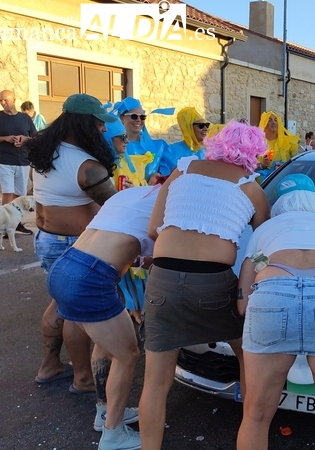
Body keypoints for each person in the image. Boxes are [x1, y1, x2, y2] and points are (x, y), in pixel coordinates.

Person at [139, 121, 270, 449]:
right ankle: (250, 426)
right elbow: (265, 245)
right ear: (254, 153)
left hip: (163, 277)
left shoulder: (181, 171)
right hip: (213, 282)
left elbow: (155, 228)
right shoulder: (251, 187)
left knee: (155, 381)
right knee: (247, 353)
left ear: (217, 143)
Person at [236, 173, 315, 450]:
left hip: (272, 291)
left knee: (255, 416)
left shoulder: (266, 229)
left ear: (280, 204)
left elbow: (244, 295)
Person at [46, 185, 162, 449]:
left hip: (66, 265)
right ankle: (113, 436)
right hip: (91, 277)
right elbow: (174, 256)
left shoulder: (134, 194)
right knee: (127, 354)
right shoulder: (171, 205)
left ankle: (106, 412)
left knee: (107, 342)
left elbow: (120, 243)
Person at [26, 94, 120, 406]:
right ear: (83, 124)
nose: (104, 131)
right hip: (75, 244)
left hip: (46, 238)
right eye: (98, 124)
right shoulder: (87, 165)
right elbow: (115, 205)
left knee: (59, 305)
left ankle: (50, 365)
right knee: (77, 315)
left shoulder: (43, 151)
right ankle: (82, 379)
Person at [0, 89, 36, 231]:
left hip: (22, 160)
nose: (3, 103)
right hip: (4, 159)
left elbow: (35, 137)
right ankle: (4, 224)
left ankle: (16, 223)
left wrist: (25, 139)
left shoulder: (25, 118)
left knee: (20, 193)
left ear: (13, 99)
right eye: (0, 100)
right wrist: (4, 138)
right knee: (7, 192)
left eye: (5, 100)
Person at [111, 97, 171, 185]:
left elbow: (172, 172)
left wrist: (158, 175)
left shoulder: (158, 146)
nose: (139, 120)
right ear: (122, 118)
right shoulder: (114, 145)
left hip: (148, 196)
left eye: (142, 117)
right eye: (134, 116)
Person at [158, 107, 209, 177]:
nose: (206, 129)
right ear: (189, 128)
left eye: (207, 125)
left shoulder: (209, 151)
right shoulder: (170, 151)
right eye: (201, 126)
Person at [258, 111, 300, 178]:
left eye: (275, 120)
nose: (273, 122)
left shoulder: (288, 143)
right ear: (265, 124)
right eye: (270, 120)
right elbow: (248, 168)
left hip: (284, 180)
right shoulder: (257, 144)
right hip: (264, 184)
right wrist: (261, 165)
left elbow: (296, 164)